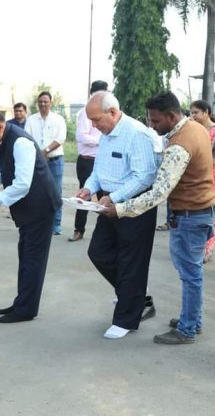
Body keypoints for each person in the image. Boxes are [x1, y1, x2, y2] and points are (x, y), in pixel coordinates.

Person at [105, 91, 215, 346]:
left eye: (155, 121)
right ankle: (192, 319)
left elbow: (159, 192)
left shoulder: (179, 144)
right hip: (198, 211)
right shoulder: (194, 128)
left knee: (190, 274)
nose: (152, 126)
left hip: (190, 214)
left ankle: (187, 328)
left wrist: (121, 208)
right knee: (192, 271)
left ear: (171, 115)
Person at [75, 91, 158, 340]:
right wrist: (88, 188)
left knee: (132, 261)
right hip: (107, 203)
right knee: (98, 252)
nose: (94, 126)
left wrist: (115, 197)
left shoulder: (137, 134)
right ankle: (133, 297)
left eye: (96, 120)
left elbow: (144, 177)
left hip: (133, 205)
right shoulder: (107, 134)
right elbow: (99, 170)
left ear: (112, 112)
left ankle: (126, 319)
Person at [0, 111, 61, 323]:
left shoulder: (20, 142)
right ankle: (22, 302)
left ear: (0, 127)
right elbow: (2, 169)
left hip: (40, 207)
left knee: (33, 261)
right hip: (28, 209)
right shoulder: (2, 142)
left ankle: (26, 310)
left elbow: (22, 184)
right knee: (25, 256)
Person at [190, 100, 215, 262]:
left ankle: (208, 247)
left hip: (210, 176)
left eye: (196, 113)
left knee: (209, 212)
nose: (192, 116)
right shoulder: (193, 130)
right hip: (193, 177)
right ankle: (197, 246)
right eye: (191, 113)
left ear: (206, 112)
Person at [70, 80, 108, 242]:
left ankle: (106, 231)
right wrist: (101, 140)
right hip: (87, 161)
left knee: (104, 196)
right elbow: (81, 136)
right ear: (97, 93)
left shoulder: (105, 112)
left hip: (102, 159)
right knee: (84, 194)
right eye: (106, 93)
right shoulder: (86, 112)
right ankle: (79, 230)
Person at [24, 91, 66, 235]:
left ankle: (56, 224)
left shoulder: (58, 119)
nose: (43, 104)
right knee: (37, 191)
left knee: (55, 191)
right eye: (40, 101)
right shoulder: (31, 120)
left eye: (45, 101)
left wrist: (45, 151)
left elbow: (61, 138)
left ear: (51, 103)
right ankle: (39, 222)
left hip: (55, 161)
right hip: (36, 161)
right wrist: (39, 154)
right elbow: (27, 138)